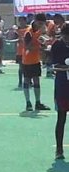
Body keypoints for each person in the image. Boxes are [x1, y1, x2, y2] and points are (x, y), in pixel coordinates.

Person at [22, 13, 50, 112]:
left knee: (37, 81)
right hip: (27, 61)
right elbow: (28, 47)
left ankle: (38, 103)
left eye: (43, 23)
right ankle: (28, 103)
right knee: (26, 81)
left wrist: (44, 44)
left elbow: (44, 41)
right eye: (40, 23)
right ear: (36, 21)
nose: (41, 25)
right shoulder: (28, 32)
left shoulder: (41, 30)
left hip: (36, 60)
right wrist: (39, 47)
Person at [51, 23, 69, 160]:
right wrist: (65, 68)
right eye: (65, 35)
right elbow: (54, 66)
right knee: (61, 118)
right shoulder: (57, 45)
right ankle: (59, 149)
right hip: (62, 86)